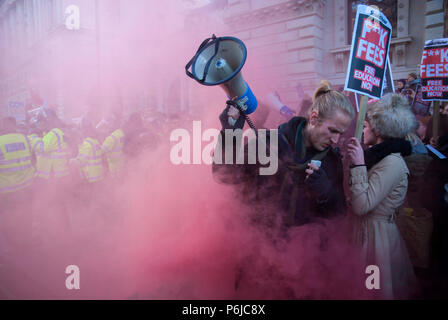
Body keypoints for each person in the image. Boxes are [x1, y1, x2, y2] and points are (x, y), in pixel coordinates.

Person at [213, 80, 355, 229]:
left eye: (340, 133)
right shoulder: (269, 142)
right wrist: (229, 133)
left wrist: (326, 193)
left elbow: (339, 215)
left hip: (303, 248)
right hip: (258, 243)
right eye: (332, 130)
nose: (335, 139)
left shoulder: (332, 161)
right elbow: (225, 175)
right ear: (313, 118)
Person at [347, 93, 417, 299]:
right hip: (367, 232)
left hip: (377, 241)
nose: (363, 131)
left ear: (379, 129)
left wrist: (359, 164)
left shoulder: (392, 163)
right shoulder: (380, 157)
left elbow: (362, 205)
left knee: (374, 290)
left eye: (366, 125)